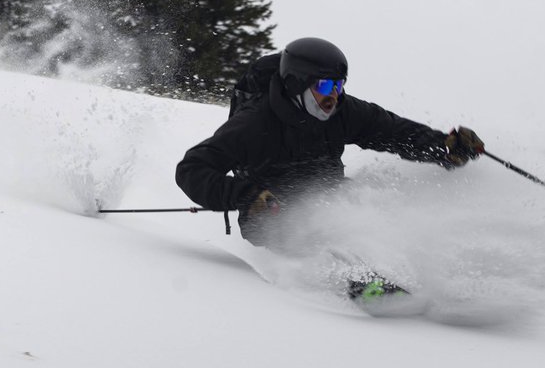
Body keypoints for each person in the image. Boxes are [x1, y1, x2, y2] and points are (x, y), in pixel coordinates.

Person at [175, 37, 484, 256]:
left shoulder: (343, 112)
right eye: (324, 86)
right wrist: (244, 195)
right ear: (297, 83)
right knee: (303, 230)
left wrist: (443, 146)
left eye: (338, 85)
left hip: (329, 195)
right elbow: (192, 169)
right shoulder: (255, 123)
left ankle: (417, 259)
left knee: (369, 205)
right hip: (269, 210)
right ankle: (342, 272)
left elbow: (392, 132)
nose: (333, 95)